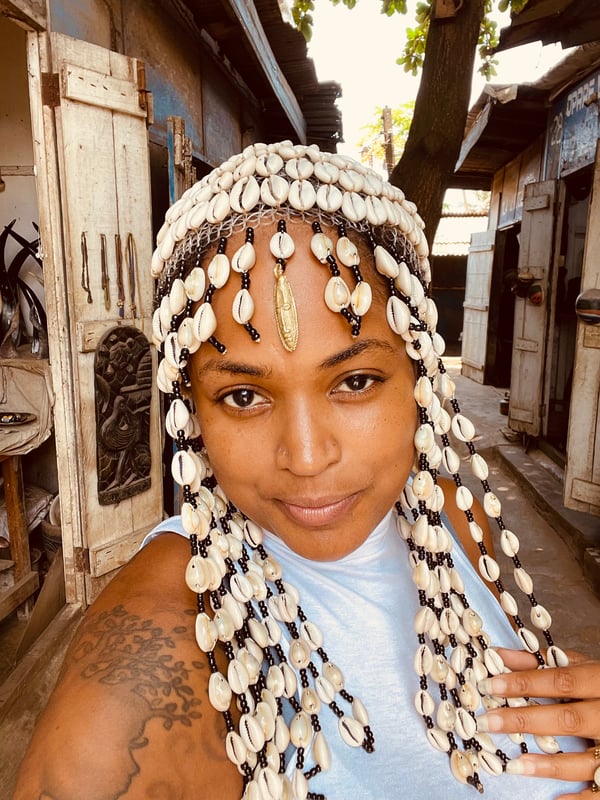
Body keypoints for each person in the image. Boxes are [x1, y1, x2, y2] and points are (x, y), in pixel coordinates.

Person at [12, 142, 600, 800]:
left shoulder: (448, 512)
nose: (308, 456)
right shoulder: (164, 640)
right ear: (193, 412)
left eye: (354, 381)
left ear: (420, 380)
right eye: (243, 396)